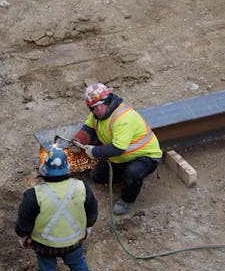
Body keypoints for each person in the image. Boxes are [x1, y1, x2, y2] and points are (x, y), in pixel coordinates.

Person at [69, 83, 163, 215]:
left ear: (108, 101)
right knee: (98, 177)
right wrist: (78, 141)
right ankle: (126, 176)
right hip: (122, 157)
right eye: (93, 108)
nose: (97, 110)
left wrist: (94, 152)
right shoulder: (96, 115)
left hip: (145, 156)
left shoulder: (123, 118)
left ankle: (128, 199)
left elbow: (118, 148)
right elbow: (88, 128)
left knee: (133, 173)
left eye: (99, 106)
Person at [15, 147, 98, 271]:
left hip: (45, 245)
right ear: (67, 167)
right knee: (79, 267)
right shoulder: (82, 187)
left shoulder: (34, 195)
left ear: (45, 168)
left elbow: (25, 221)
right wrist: (88, 227)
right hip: (73, 242)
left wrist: (22, 236)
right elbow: (92, 210)